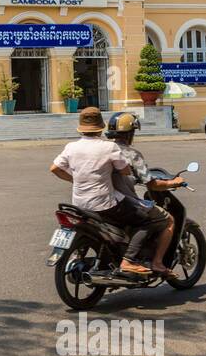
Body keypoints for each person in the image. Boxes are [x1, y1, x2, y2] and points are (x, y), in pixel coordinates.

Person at [49, 107, 167, 276]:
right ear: (100, 127)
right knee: (147, 219)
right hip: (105, 204)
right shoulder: (109, 147)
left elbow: (55, 168)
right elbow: (125, 171)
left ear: (81, 127)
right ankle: (128, 261)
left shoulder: (71, 147)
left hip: (79, 204)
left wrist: (76, 179)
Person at [104, 112, 184, 275]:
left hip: (102, 199)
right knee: (166, 219)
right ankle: (156, 263)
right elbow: (152, 184)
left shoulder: (103, 150)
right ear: (130, 133)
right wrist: (173, 182)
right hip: (123, 202)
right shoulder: (132, 154)